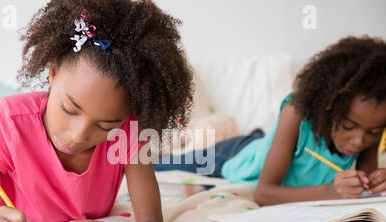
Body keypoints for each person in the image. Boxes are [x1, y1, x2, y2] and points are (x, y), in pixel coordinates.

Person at [0, 0, 193, 222]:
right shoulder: (9, 121)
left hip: (12, 156)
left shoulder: (128, 134)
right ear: (54, 72)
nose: (78, 135)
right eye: (70, 110)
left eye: (105, 125)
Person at [154, 36, 386, 205]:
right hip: (235, 155)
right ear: (326, 104)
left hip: (266, 146)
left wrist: (374, 183)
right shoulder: (297, 113)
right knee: (159, 165)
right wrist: (332, 191)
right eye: (348, 126)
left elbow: (365, 185)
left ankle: (259, 137)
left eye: (374, 131)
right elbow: (264, 194)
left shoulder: (369, 128)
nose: (359, 141)